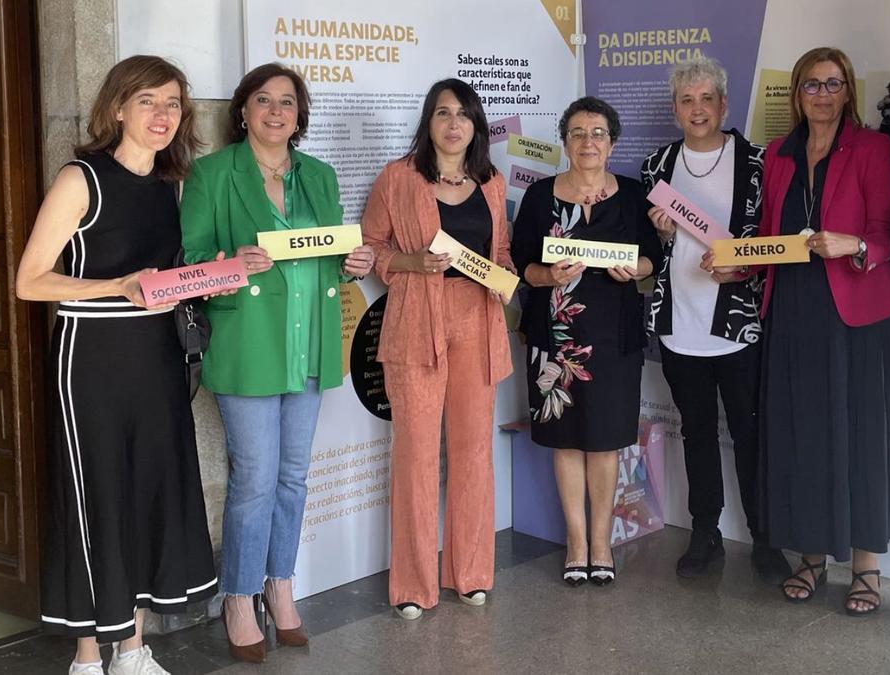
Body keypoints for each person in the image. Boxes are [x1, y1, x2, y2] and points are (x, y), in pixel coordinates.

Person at [16, 55, 217, 675]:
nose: (162, 115)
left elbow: (164, 281)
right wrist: (117, 285)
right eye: (149, 101)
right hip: (92, 360)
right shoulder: (82, 179)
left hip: (157, 357)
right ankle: (86, 654)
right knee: (95, 494)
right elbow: (30, 283)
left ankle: (131, 647)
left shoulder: (171, 184)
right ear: (118, 107)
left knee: (143, 493)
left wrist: (219, 274)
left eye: (173, 104)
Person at [179, 63, 375, 662]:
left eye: (286, 102)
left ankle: (279, 585)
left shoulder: (319, 175)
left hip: (308, 348)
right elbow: (189, 266)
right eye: (262, 100)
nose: (274, 111)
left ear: (299, 114)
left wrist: (351, 263)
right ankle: (239, 595)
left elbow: (326, 253)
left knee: (292, 479)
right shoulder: (213, 174)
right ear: (242, 110)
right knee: (255, 482)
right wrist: (230, 264)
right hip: (249, 351)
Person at [719, 47, 890, 616]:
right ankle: (810, 557)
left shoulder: (873, 147)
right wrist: (739, 263)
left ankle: (866, 567)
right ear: (796, 94)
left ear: (848, 90)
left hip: (858, 313)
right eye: (810, 85)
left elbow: (885, 232)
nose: (821, 95)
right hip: (795, 309)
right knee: (802, 433)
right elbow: (769, 236)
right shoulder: (778, 152)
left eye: (831, 85)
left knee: (860, 436)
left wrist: (853, 245)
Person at [361, 78, 514, 620]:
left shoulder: (492, 182)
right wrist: (409, 263)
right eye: (443, 113)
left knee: (474, 453)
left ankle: (470, 573)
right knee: (417, 455)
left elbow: (499, 251)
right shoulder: (398, 179)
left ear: (475, 126)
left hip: (478, 320)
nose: (454, 124)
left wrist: (506, 278)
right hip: (415, 320)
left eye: (464, 115)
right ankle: (413, 584)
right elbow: (374, 246)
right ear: (428, 122)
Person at [639, 57, 790, 580]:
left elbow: (777, 238)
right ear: (675, 109)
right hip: (680, 323)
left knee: (751, 434)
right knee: (697, 431)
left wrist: (744, 265)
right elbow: (648, 251)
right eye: (687, 100)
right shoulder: (657, 165)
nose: (698, 109)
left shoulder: (757, 161)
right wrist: (659, 237)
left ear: (724, 105)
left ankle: (765, 538)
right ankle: (706, 532)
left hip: (738, 324)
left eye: (707, 99)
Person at [512, 96, 662, 587]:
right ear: (565, 141)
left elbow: (651, 263)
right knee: (565, 439)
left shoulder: (635, 196)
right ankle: (576, 545)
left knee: (603, 442)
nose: (588, 141)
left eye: (597, 132)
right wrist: (547, 273)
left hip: (613, 336)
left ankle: (602, 544)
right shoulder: (539, 197)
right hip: (554, 337)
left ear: (612, 141)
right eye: (577, 133)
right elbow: (521, 268)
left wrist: (633, 268)